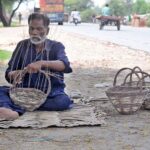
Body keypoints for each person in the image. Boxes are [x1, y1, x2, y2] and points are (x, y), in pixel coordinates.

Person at [0, 13, 73, 121]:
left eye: (39, 29)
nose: (34, 32)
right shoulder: (22, 46)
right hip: (23, 92)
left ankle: (15, 108)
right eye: (31, 29)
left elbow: (64, 65)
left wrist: (42, 63)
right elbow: (9, 72)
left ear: (47, 31)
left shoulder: (56, 46)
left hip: (50, 93)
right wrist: (14, 74)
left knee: (62, 102)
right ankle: (16, 107)